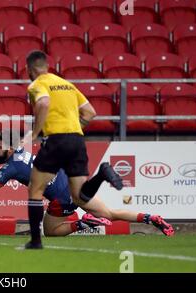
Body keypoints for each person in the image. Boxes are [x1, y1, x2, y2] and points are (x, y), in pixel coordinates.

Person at [0, 144, 174, 237]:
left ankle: (84, 222)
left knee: (51, 231)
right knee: (112, 213)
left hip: (61, 198)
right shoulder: (19, 152)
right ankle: (150, 217)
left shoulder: (8, 170)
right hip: (71, 180)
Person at [19, 50, 125, 248]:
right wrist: (73, 130)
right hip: (77, 140)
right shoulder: (67, 85)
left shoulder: (36, 85)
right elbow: (90, 112)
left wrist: (35, 133)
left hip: (55, 140)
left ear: (29, 69)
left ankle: (35, 241)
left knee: (35, 189)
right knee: (78, 196)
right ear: (47, 66)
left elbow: (43, 103)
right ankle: (101, 174)